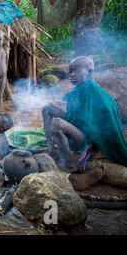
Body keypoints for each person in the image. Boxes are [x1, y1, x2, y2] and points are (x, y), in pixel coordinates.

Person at [42, 56, 127, 190]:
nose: (71, 75)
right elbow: (74, 116)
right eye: (70, 71)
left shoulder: (99, 96)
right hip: (77, 126)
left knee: (57, 123)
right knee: (46, 106)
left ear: (90, 73)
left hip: (87, 137)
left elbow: (107, 127)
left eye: (77, 71)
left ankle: (70, 162)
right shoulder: (80, 89)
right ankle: (51, 147)